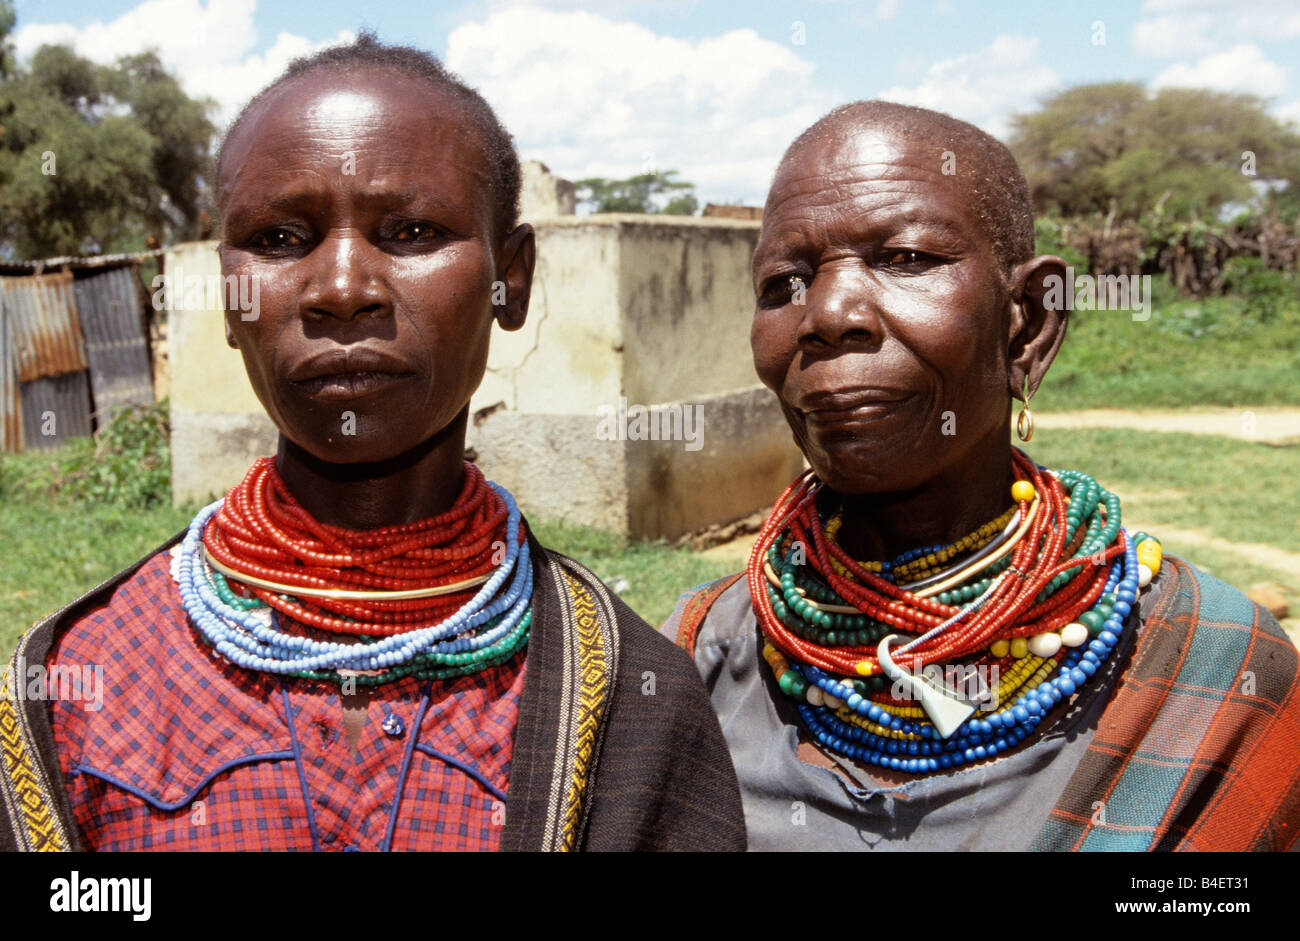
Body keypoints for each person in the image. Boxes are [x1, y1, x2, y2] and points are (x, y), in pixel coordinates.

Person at [0, 34, 744, 852]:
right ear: (228, 292)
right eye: (281, 238)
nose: (343, 290)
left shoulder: (629, 704)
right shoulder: (72, 687)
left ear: (513, 278)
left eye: (413, 231)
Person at [662, 100, 1300, 851]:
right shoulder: (696, 653)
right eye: (785, 284)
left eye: (905, 258)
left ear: (1027, 322)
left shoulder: (1214, 675)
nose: (827, 313)